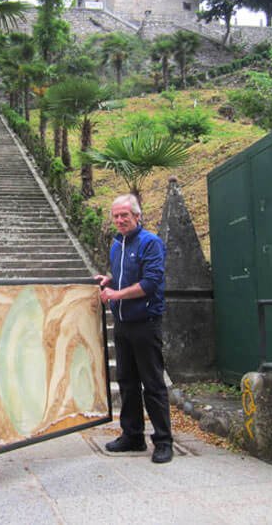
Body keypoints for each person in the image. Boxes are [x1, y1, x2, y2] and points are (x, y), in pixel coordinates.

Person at [95, 194, 173, 464]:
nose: (119, 220)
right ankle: (133, 436)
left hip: (145, 323)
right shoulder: (117, 244)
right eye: (115, 216)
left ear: (137, 216)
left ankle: (163, 441)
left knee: (152, 383)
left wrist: (115, 295)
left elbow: (150, 283)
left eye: (124, 216)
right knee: (127, 382)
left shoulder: (151, 243)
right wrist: (109, 279)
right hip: (123, 323)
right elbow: (123, 276)